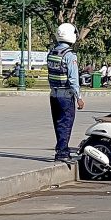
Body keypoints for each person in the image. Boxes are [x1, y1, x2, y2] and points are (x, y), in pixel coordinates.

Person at [47, 23, 85, 162]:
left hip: (53, 94)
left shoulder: (51, 52)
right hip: (65, 95)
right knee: (66, 123)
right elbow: (73, 79)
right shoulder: (70, 55)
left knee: (58, 124)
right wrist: (79, 97)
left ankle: (60, 149)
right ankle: (62, 153)